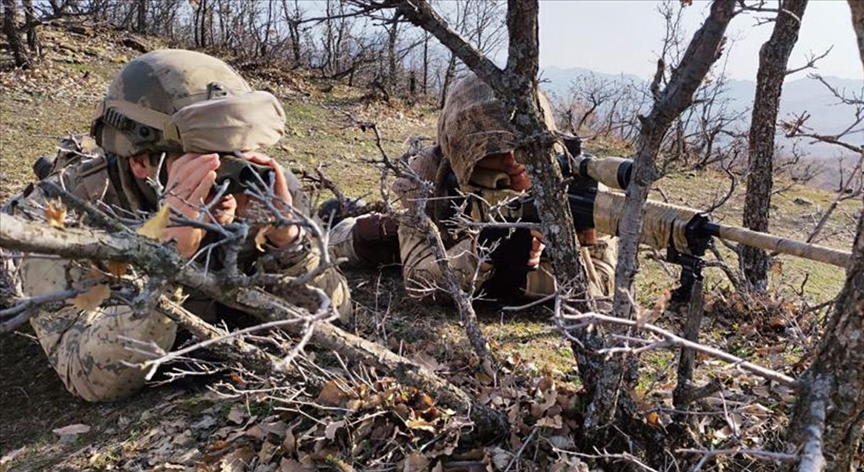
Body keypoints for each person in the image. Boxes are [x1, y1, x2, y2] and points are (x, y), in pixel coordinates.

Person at [3, 50, 350, 402]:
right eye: (208, 157)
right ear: (142, 162)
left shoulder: (262, 183)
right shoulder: (59, 215)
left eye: (239, 151)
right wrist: (168, 261)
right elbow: (87, 376)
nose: (229, 174)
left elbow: (335, 319)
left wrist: (288, 243)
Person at [380, 74, 618, 304]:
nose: (513, 159)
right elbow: (418, 281)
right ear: (463, 151)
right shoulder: (426, 177)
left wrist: (540, 265)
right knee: (372, 236)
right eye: (495, 149)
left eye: (524, 145)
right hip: (437, 242)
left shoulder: (579, 185)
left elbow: (602, 282)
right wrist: (480, 252)